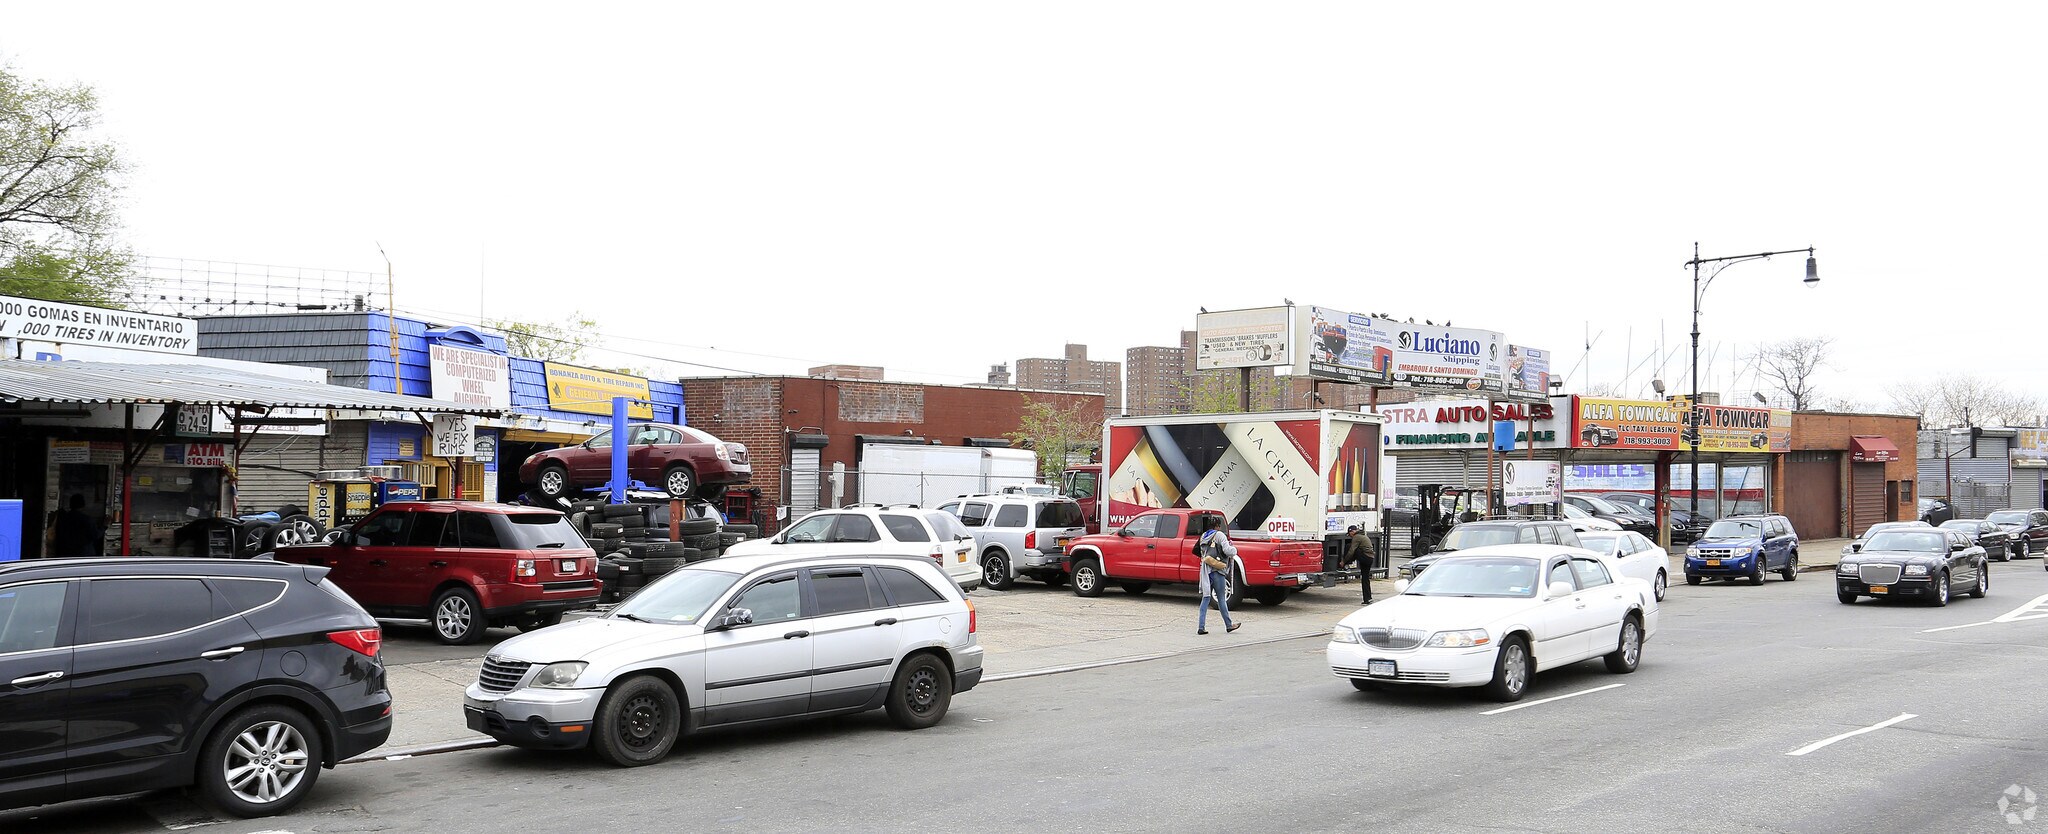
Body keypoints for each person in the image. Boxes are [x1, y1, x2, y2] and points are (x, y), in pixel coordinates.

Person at [1194, 515, 1241, 635]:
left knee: (1205, 598)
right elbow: (1228, 551)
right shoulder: (1219, 535)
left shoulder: (1203, 536)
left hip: (1205, 570)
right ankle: (1229, 625)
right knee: (1221, 598)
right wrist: (1234, 549)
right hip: (1217, 570)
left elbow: (1198, 551)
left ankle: (1201, 626)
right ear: (1218, 526)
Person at [1346, 525, 1377, 604]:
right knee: (1365, 579)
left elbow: (1351, 551)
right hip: (1370, 558)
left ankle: (1346, 564)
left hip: (1366, 558)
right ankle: (1368, 598)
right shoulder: (1363, 535)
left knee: (1349, 547)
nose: (1350, 536)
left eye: (1350, 534)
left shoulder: (1357, 537)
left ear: (1352, 532)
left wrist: (1344, 561)